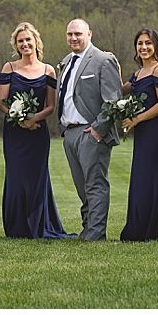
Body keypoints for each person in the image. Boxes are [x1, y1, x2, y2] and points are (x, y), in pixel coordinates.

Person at [0, 22, 71, 239]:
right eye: (21, 41)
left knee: (37, 178)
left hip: (38, 132)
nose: (25, 43)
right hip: (15, 133)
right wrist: (18, 118)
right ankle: (16, 227)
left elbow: (51, 105)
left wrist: (33, 119)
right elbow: (1, 101)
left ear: (36, 41)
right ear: (16, 45)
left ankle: (39, 225)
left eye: (28, 39)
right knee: (16, 178)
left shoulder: (49, 70)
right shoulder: (9, 68)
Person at [56, 18, 122, 241]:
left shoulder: (103, 60)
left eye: (78, 34)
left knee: (95, 184)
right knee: (81, 186)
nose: (73, 38)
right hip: (70, 132)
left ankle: (96, 233)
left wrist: (98, 129)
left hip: (91, 133)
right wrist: (64, 129)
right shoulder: (66, 61)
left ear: (89, 34)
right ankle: (87, 228)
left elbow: (112, 99)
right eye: (70, 34)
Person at [118, 28, 158, 242]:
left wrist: (136, 120)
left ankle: (157, 228)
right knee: (141, 180)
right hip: (142, 135)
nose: (143, 47)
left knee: (153, 180)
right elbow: (120, 90)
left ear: (155, 45)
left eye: (148, 43)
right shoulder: (137, 74)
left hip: (154, 133)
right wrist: (111, 66)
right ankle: (139, 227)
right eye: (140, 44)